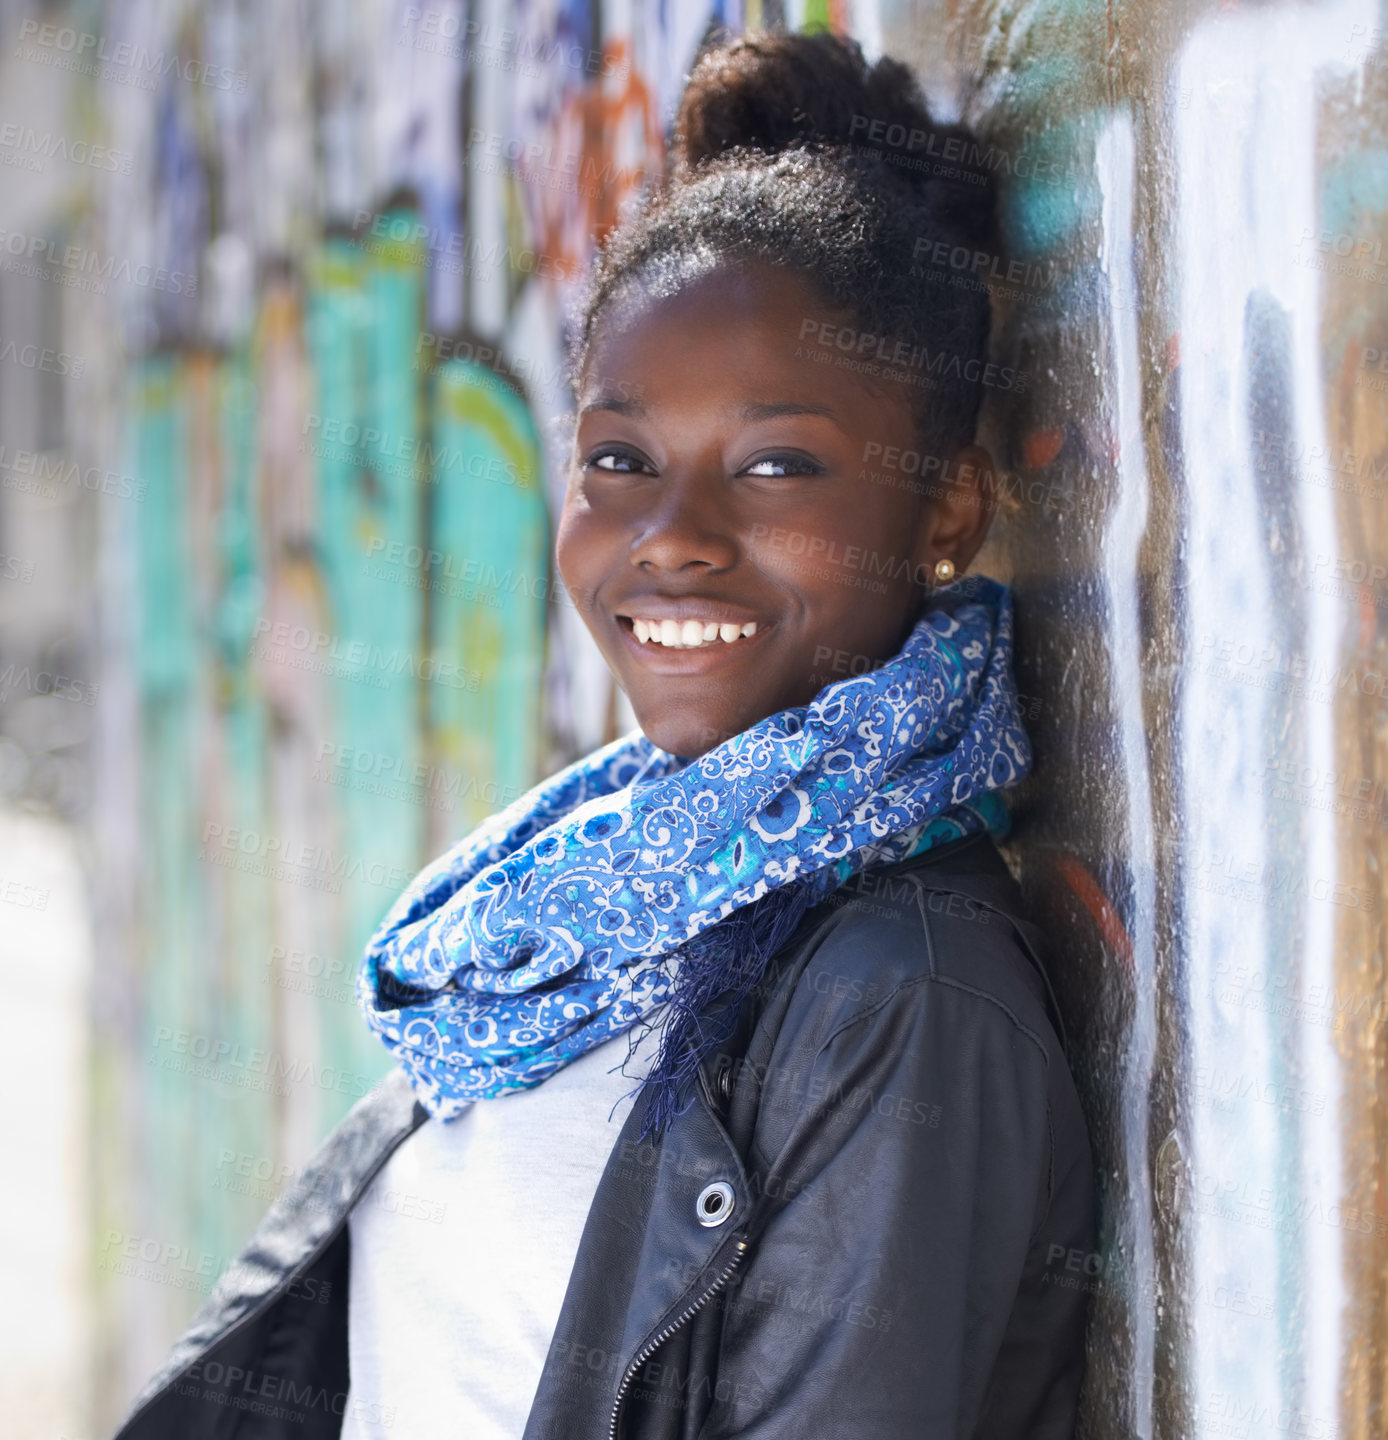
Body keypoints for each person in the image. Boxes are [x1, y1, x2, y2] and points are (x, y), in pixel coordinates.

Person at [115, 29, 1093, 1440]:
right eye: (619, 461)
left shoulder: (905, 999)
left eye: (774, 466)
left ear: (945, 510)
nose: (671, 540)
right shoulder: (583, 906)